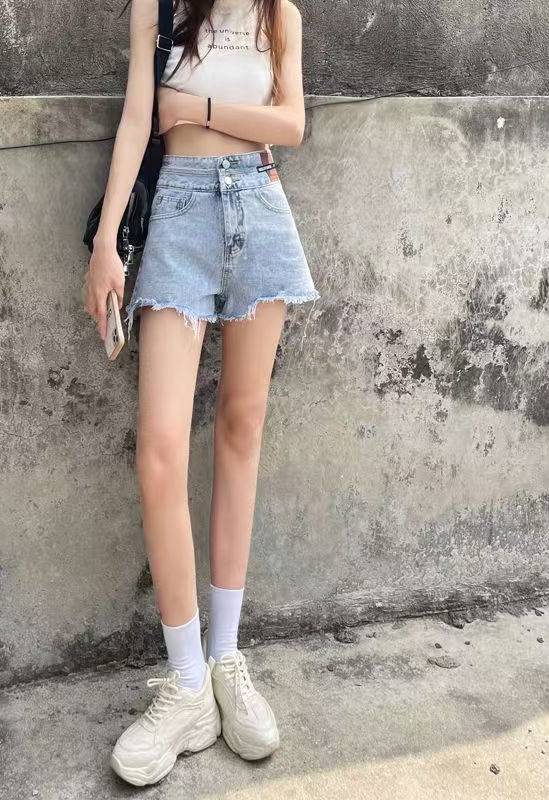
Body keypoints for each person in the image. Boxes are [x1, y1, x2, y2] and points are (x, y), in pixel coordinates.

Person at [83, 0, 318, 786]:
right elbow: (136, 123)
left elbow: (292, 124)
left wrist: (202, 109)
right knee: (159, 452)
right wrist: (108, 244)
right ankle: (186, 685)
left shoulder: (279, 13)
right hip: (179, 213)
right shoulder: (157, 8)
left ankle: (225, 660)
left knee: (241, 428)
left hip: (259, 202)